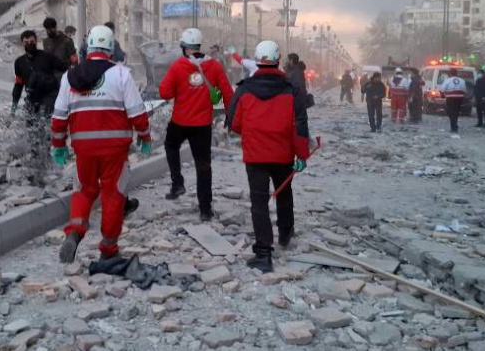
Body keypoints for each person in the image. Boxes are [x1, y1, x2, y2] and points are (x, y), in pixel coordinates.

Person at [51, 25, 153, 263]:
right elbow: (138, 112)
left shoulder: (70, 77)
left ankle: (74, 232)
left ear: (87, 48)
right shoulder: (121, 74)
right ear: (111, 48)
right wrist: (145, 136)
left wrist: (58, 145)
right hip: (114, 150)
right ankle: (108, 249)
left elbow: (58, 116)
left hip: (83, 149)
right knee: (113, 194)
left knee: (84, 190)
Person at [227, 40, 311, 273]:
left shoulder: (244, 89)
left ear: (257, 60)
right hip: (283, 155)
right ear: (277, 59)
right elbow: (300, 125)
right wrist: (302, 154)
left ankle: (264, 254)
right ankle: (285, 234)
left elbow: (235, 124)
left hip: (255, 156)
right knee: (284, 193)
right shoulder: (291, 89)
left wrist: (253, 132)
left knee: (259, 201)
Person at [159, 28, 233, 221]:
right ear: (199, 46)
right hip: (202, 125)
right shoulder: (215, 66)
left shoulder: (177, 66)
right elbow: (227, 92)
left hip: (180, 122)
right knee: (203, 166)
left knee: (170, 145)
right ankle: (205, 209)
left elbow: (164, 93)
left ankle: (177, 182)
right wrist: (230, 115)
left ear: (184, 47)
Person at [12, 30, 67, 117]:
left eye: (32, 42)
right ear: (22, 43)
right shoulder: (19, 62)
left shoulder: (47, 57)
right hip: (32, 97)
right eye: (26, 42)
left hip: (50, 95)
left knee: (45, 118)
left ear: (36, 41)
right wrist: (13, 108)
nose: (29, 44)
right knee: (30, 123)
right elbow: (18, 85)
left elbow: (65, 68)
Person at [438, 68, 467, 133]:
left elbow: (442, 89)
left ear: (450, 73)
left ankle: (454, 127)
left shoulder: (447, 80)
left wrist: (442, 95)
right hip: (459, 98)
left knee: (450, 112)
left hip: (450, 98)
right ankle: (455, 125)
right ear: (456, 73)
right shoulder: (462, 80)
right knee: (456, 112)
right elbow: (464, 90)